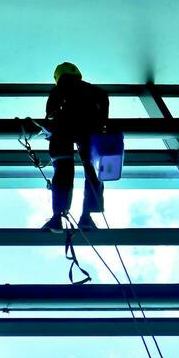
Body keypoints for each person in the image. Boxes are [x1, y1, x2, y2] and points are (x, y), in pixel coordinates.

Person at [37, 61, 111, 231]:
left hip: (62, 133)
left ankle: (58, 217)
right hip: (90, 133)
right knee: (93, 173)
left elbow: (50, 117)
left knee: (63, 172)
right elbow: (104, 115)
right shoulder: (97, 92)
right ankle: (86, 216)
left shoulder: (57, 92)